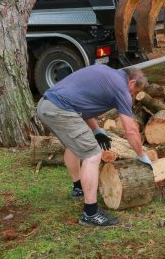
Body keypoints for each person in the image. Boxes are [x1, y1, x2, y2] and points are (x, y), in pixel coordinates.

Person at [36, 64, 152, 227]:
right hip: (60, 109)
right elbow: (131, 130)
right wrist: (142, 156)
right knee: (92, 154)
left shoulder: (106, 73)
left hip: (46, 105)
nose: (131, 96)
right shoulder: (121, 88)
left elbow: (81, 103)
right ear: (131, 83)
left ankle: (79, 188)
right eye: (133, 92)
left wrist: (96, 130)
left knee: (74, 146)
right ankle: (90, 213)